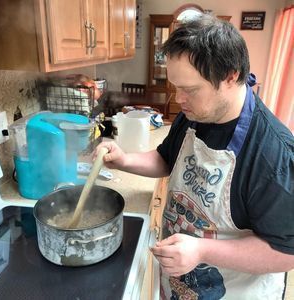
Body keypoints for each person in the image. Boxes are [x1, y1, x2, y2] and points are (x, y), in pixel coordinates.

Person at [94, 13, 294, 300]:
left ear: (230, 76)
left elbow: (287, 252)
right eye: (176, 87)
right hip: (181, 285)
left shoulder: (273, 156)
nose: (178, 99)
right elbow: (166, 159)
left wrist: (202, 250)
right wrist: (124, 159)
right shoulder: (195, 114)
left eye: (189, 89)